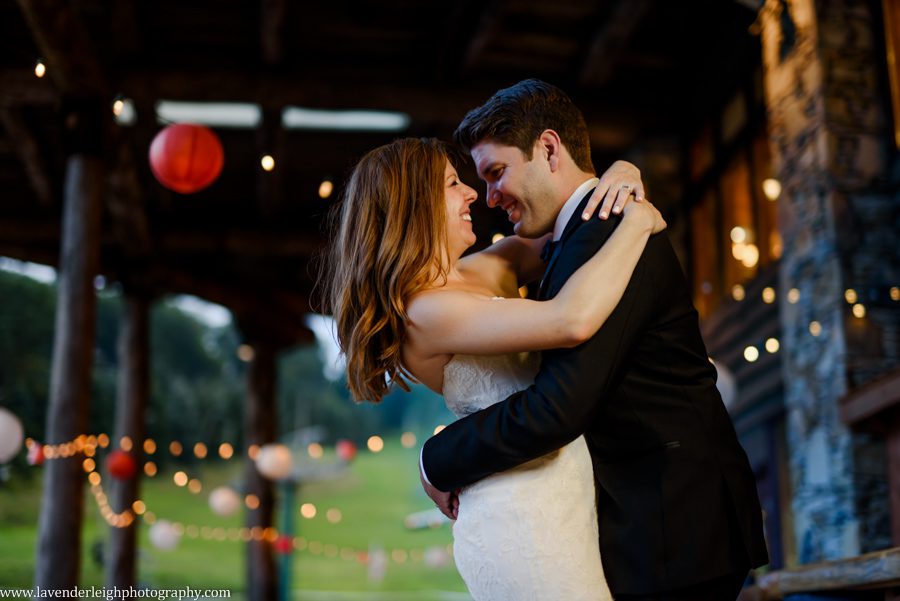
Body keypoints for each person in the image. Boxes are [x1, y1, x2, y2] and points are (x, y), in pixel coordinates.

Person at [419, 79, 770, 601]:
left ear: (549, 148)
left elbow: (559, 406)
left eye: (496, 173)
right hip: (650, 522)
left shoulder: (605, 230)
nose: (489, 197)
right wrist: (625, 171)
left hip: (674, 523)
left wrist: (438, 457)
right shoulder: (577, 233)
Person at [324, 136, 664, 600]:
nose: (471, 194)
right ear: (414, 206)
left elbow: (574, 220)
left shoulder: (484, 270)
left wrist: (621, 174)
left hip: (565, 504)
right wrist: (638, 224)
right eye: (451, 183)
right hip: (519, 523)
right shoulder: (425, 312)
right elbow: (572, 319)